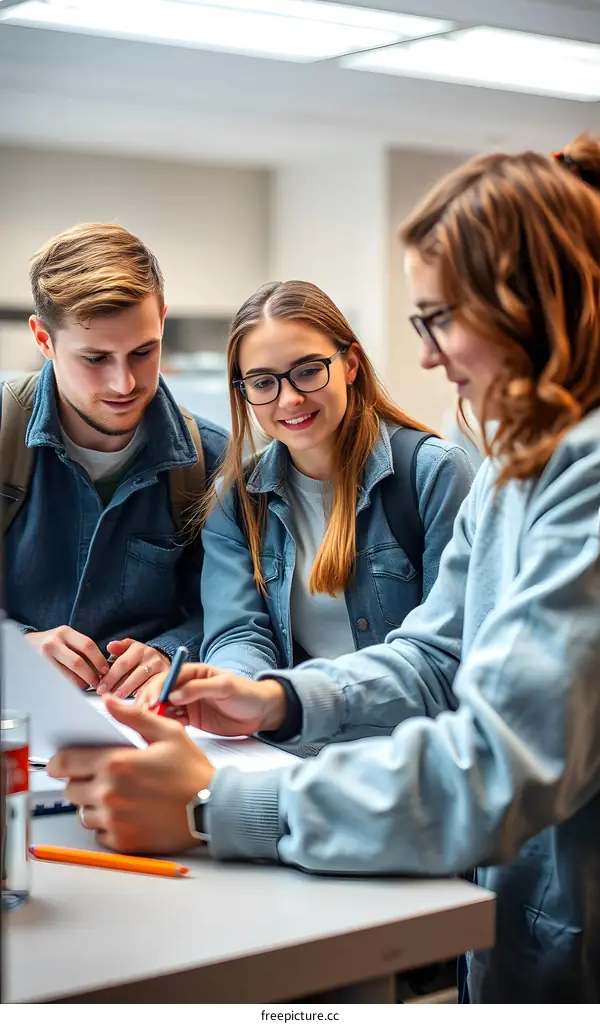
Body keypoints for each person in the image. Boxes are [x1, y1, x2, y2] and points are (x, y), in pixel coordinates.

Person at [52, 136, 600, 1004]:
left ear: (529, 306)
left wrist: (211, 811)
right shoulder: (510, 465)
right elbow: (433, 655)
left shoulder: (569, 474)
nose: (425, 356)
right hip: (507, 915)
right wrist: (278, 698)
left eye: (439, 319)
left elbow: (500, 763)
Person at [196, 280, 474, 677]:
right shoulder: (236, 499)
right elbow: (238, 636)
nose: (289, 399)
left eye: (308, 371)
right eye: (262, 383)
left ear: (351, 365)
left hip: (405, 732)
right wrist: (239, 691)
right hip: (294, 731)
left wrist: (290, 703)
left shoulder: (435, 473)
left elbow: (445, 651)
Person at [1, 222, 227, 696]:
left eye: (143, 351)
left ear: (162, 319)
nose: (124, 384)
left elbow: (231, 611)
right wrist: (18, 647)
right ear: (44, 340)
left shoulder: (213, 460)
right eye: (96, 358)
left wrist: (171, 650)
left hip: (145, 732)